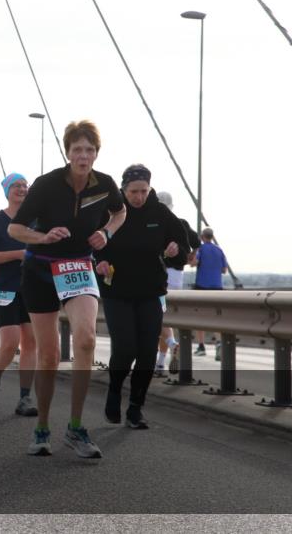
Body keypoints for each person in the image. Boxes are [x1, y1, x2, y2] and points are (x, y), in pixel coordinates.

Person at [8, 120, 126, 459]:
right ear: (68, 152)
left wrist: (106, 233)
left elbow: (119, 214)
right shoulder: (46, 185)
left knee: (86, 339)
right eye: (78, 150)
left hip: (78, 267)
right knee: (48, 356)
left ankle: (75, 428)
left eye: (90, 150)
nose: (84, 156)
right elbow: (16, 228)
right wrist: (42, 237)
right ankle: (42, 426)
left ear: (96, 153)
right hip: (41, 270)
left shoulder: (104, 184)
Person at [95, 165, 188, 429]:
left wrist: (175, 250)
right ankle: (114, 390)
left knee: (147, 353)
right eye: (134, 191)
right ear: (123, 190)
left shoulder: (160, 212)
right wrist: (99, 262)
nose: (139, 197)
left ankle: (135, 408)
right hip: (117, 292)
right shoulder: (112, 212)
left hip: (150, 292)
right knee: (125, 349)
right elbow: (93, 245)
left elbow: (184, 251)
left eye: (144, 191)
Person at [0, 173, 37, 417]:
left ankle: (25, 398)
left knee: (31, 342)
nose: (22, 189)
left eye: (25, 185)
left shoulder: (36, 221)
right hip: (4, 287)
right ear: (6, 191)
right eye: (16, 186)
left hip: (33, 287)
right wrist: (16, 254)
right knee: (11, 341)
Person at [154, 192, 200, 376]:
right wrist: (191, 257)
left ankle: (171, 344)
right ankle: (160, 363)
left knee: (158, 317)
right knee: (166, 317)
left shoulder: (153, 222)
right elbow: (197, 242)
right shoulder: (181, 223)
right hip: (177, 277)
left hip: (160, 273)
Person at [192, 227, 229, 359]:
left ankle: (201, 346)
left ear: (202, 237)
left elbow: (194, 262)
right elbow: (224, 270)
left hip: (202, 286)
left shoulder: (201, 249)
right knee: (215, 317)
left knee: (200, 316)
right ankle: (219, 342)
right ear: (212, 237)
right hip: (217, 287)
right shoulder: (219, 250)